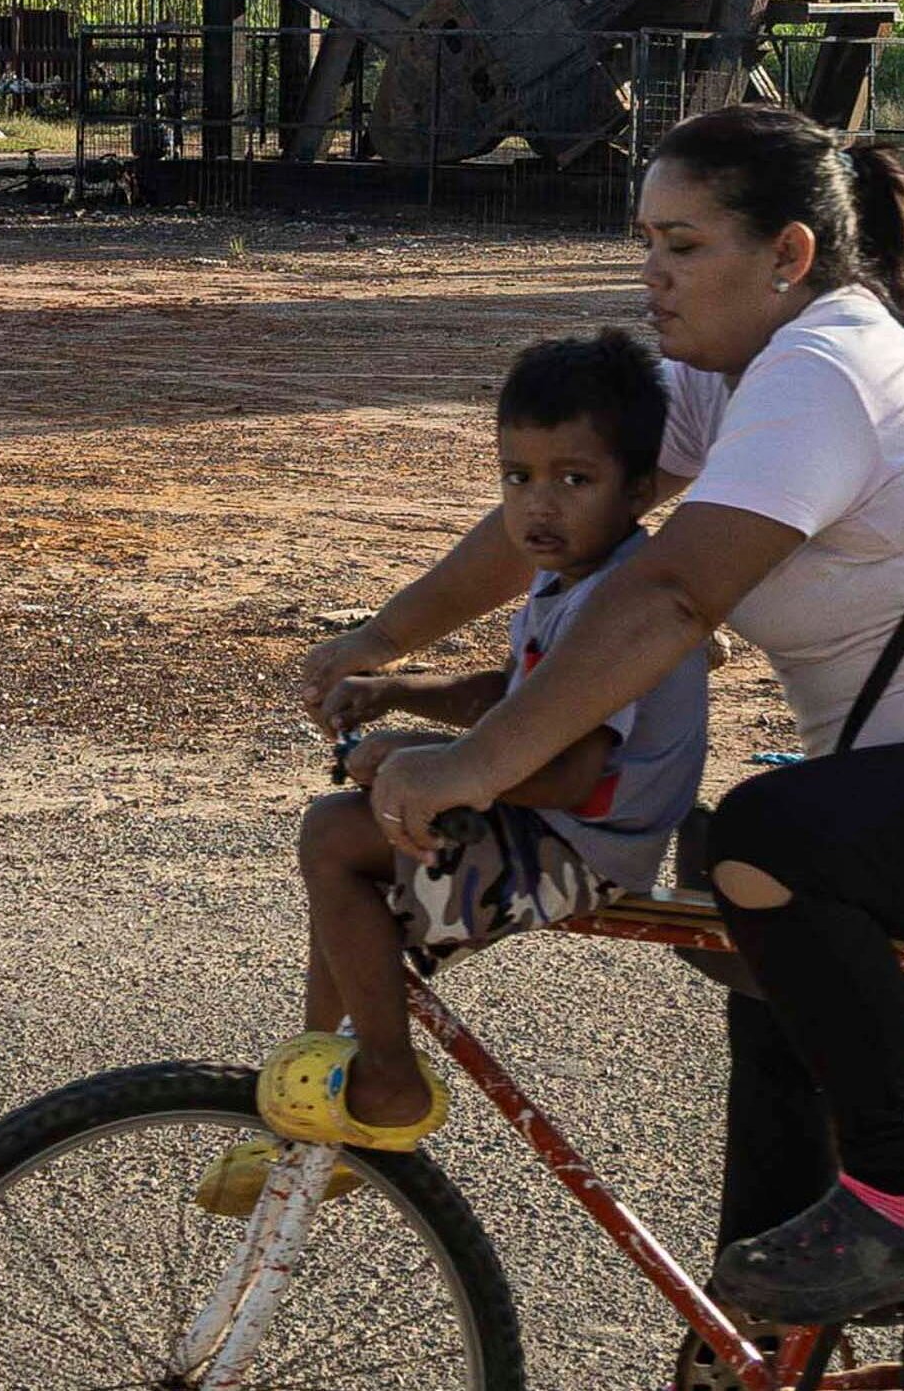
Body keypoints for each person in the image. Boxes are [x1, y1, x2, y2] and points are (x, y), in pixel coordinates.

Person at [299, 105, 904, 1331]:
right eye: (643, 241)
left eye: (681, 245)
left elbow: (674, 589)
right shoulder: (734, 381)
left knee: (763, 840)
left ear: (786, 255)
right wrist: (383, 638)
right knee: (751, 914)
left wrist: (474, 760)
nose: (650, 275)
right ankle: (770, 1327)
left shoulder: (827, 368)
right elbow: (568, 514)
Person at [225, 329, 714, 1204]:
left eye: (574, 479)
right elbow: (515, 700)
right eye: (517, 477)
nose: (540, 507)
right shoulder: (575, 575)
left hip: (584, 845)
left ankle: (383, 1081)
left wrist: (425, 759)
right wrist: (399, 691)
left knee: (337, 839)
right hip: (558, 824)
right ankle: (325, 1078)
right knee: (349, 841)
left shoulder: (626, 601)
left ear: (641, 489)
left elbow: (566, 773)